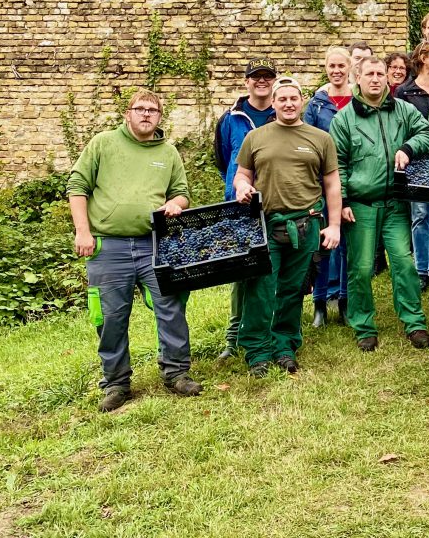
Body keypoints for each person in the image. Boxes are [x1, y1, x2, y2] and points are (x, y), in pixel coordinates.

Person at [67, 90, 199, 412]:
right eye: (139, 108)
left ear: (159, 117)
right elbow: (77, 187)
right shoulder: (103, 143)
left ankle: (176, 373)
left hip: (154, 245)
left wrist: (174, 203)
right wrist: (82, 232)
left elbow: (182, 194)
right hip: (108, 247)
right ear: (127, 113)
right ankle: (116, 383)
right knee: (110, 316)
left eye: (152, 110)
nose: (145, 114)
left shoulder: (168, 153)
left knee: (170, 308)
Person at [234, 79, 344, 376]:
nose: (288, 104)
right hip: (266, 224)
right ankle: (257, 350)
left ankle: (284, 344)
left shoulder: (321, 138)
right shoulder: (256, 137)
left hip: (306, 224)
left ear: (302, 101)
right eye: (281, 99)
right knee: (260, 288)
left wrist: (333, 225)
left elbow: (332, 184)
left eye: (294, 98)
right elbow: (241, 175)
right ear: (273, 102)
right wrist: (242, 187)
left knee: (293, 289)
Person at [328, 56, 429, 352]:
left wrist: (408, 147)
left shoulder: (402, 110)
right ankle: (363, 325)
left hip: (396, 203)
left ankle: (414, 323)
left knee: (403, 263)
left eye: (380, 74)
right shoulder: (344, 119)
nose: (376, 79)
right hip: (361, 204)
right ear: (358, 78)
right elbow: (336, 164)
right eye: (370, 74)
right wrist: (345, 201)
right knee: (361, 268)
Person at [213, 61, 276, 360]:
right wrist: (237, 186)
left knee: (272, 269)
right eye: (255, 77)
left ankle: (267, 331)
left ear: (274, 81)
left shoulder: (283, 113)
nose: (261, 81)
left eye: (267, 76)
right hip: (241, 204)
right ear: (247, 82)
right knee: (242, 271)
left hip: (277, 202)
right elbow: (224, 159)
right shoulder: (230, 119)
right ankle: (233, 336)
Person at [304, 47, 353, 328]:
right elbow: (308, 140)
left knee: (346, 245)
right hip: (321, 184)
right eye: (331, 66)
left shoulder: (357, 100)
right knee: (322, 244)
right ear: (326, 68)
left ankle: (344, 301)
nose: (336, 71)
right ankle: (320, 304)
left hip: (349, 181)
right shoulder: (317, 104)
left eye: (341, 66)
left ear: (349, 68)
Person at [399, 41, 429, 289]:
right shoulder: (405, 92)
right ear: (422, 58)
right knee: (419, 214)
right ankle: (420, 268)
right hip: (416, 160)